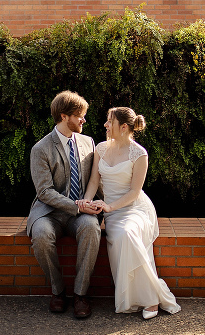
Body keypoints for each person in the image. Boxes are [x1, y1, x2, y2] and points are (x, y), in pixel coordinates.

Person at [77, 107, 181, 320]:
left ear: (123, 127)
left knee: (128, 233)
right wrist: (87, 201)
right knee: (122, 234)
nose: (105, 125)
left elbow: (134, 192)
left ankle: (151, 298)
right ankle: (141, 296)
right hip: (112, 213)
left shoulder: (139, 154)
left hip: (134, 209)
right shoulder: (101, 148)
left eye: (110, 121)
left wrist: (110, 206)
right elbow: (94, 181)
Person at [27, 90, 103, 319]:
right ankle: (58, 291)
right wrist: (77, 206)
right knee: (40, 235)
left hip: (81, 214)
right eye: (79, 115)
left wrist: (105, 208)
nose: (83, 120)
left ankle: (81, 294)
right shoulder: (40, 149)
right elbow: (44, 192)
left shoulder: (88, 141)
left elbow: (94, 179)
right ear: (63, 116)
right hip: (49, 212)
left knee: (91, 228)